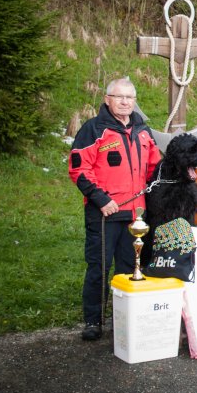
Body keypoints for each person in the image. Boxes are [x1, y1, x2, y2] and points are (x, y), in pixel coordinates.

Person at [68, 78, 162, 341]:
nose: (124, 102)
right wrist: (100, 199)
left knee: (130, 267)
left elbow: (156, 168)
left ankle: (124, 319)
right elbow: (78, 168)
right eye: (119, 97)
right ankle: (94, 321)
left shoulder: (143, 131)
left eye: (129, 98)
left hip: (136, 216)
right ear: (107, 99)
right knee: (99, 267)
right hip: (104, 213)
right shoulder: (93, 129)